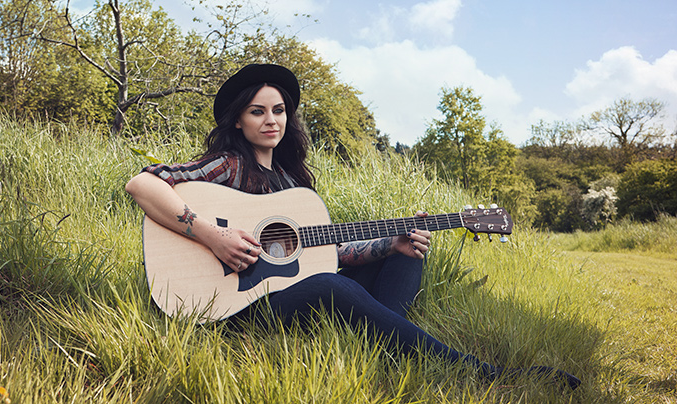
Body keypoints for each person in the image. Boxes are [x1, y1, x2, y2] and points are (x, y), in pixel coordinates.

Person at [125, 64, 580, 390]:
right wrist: (214, 235)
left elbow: (322, 255)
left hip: (289, 291)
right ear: (239, 121)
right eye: (257, 112)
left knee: (410, 252)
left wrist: (388, 246)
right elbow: (142, 184)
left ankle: (383, 343)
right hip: (235, 307)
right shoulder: (227, 166)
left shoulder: (293, 185)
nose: (271, 121)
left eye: (278, 110)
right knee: (333, 288)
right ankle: (484, 374)